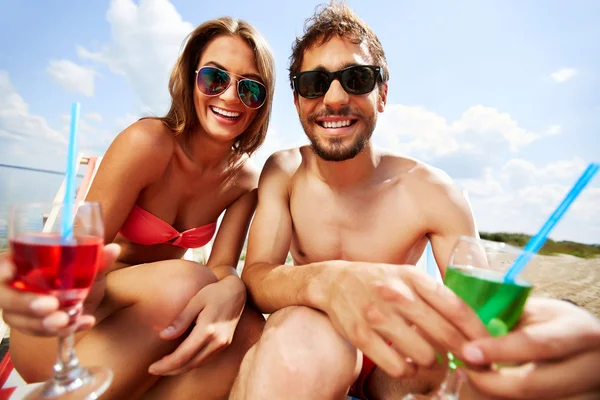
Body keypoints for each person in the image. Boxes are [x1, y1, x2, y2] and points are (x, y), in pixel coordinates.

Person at [229, 3, 600, 400]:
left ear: (382, 94)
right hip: (304, 337)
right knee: (303, 339)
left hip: (394, 359)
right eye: (314, 83)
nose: (334, 98)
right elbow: (256, 277)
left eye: (356, 78)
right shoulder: (284, 171)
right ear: (298, 99)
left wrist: (540, 332)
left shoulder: (432, 191)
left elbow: (478, 306)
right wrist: (331, 281)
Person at [2, 16, 274, 400]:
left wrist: (233, 287)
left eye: (250, 88)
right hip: (73, 321)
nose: (230, 96)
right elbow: (81, 252)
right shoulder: (147, 142)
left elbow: (222, 266)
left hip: (147, 326)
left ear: (262, 102)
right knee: (189, 281)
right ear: (191, 78)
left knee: (247, 330)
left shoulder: (245, 181)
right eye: (215, 78)